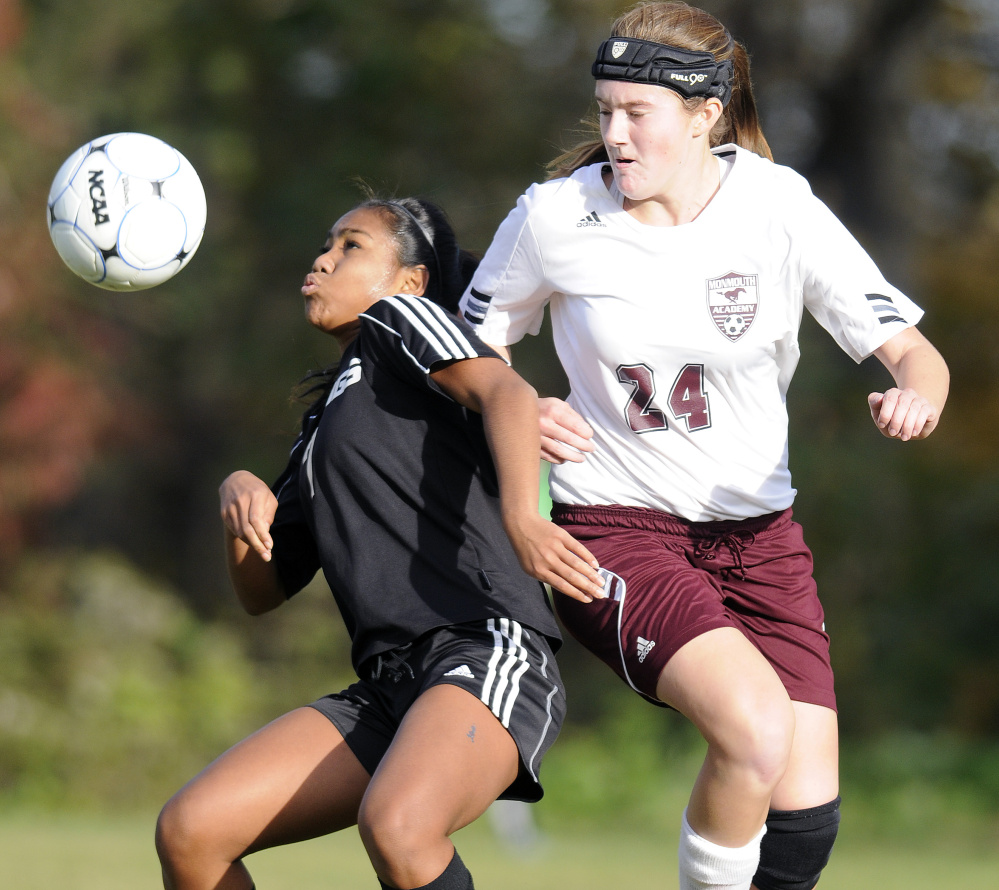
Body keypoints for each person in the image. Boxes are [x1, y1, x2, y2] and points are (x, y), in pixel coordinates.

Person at [458, 3, 950, 890]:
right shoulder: (553, 218)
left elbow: (913, 351)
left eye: (635, 113)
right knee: (752, 729)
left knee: (802, 824)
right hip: (611, 528)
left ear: (705, 113)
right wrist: (518, 406)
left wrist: (915, 397)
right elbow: (462, 352)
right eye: (604, 110)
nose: (612, 134)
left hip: (760, 538)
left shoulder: (778, 207)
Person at [154, 195, 604, 890]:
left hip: (481, 645)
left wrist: (523, 518)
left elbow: (506, 393)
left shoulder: (398, 321)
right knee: (192, 832)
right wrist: (239, 496)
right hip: (390, 684)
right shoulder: (318, 431)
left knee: (398, 824)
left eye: (350, 245)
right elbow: (262, 593)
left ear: (410, 281)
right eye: (325, 244)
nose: (322, 259)